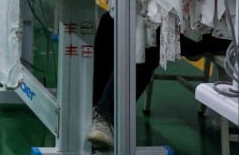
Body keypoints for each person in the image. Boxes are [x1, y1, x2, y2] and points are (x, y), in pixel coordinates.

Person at [87, 11, 233, 149]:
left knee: (148, 39)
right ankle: (95, 109)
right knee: (111, 21)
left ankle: (107, 116)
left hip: (222, 32)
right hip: (192, 21)